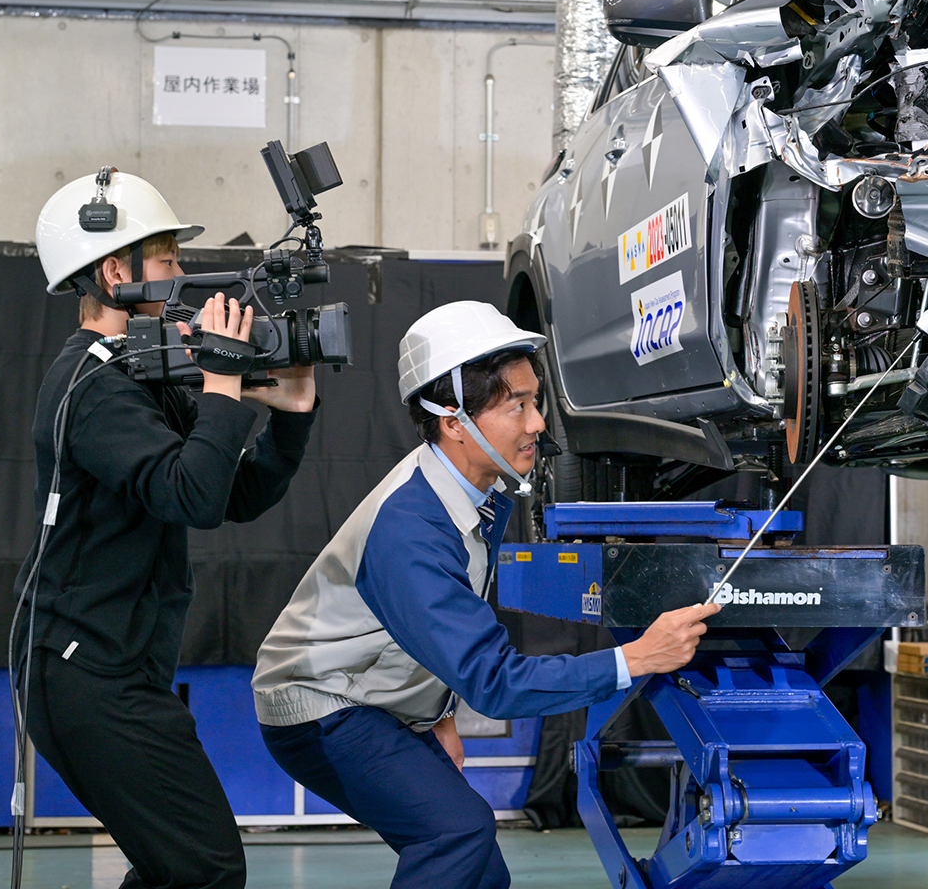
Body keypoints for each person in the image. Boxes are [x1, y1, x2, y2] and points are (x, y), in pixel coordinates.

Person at [253, 300, 719, 889]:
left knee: (478, 871)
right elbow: (495, 682)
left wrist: (437, 713)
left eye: (535, 400)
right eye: (516, 405)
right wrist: (637, 659)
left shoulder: (480, 490)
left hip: (375, 698)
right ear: (453, 422)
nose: (538, 423)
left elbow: (445, 626)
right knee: (456, 833)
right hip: (319, 706)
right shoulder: (410, 533)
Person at [19, 168, 319, 889]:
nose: (181, 273)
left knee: (177, 869)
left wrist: (291, 410)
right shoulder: (91, 387)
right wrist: (219, 386)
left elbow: (229, 494)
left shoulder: (135, 375)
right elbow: (188, 494)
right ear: (116, 271)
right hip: (87, 679)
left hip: (118, 673)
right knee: (205, 868)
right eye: (168, 258)